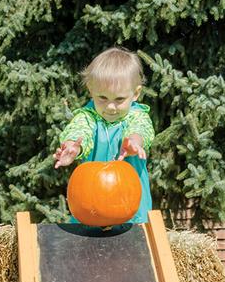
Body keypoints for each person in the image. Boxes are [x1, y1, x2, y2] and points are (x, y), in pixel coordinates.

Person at [53, 46, 155, 225]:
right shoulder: (88, 117)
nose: (110, 107)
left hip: (130, 207)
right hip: (90, 207)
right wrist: (72, 147)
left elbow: (141, 129)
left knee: (134, 248)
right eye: (102, 98)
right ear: (91, 90)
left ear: (135, 94)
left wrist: (134, 143)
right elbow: (78, 131)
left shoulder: (136, 115)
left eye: (119, 99)